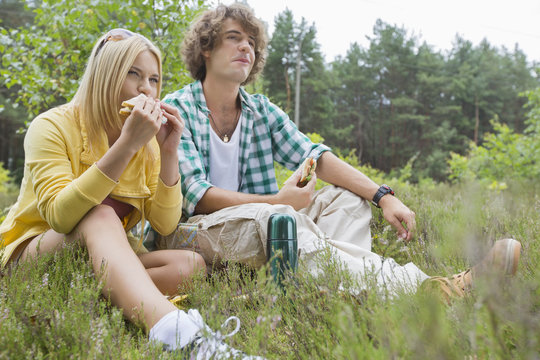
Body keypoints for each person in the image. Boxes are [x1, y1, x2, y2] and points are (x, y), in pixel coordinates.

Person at [162, 3, 522, 300]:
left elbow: (315, 155)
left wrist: (383, 196)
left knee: (347, 200)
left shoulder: (261, 111)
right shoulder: (178, 108)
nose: (246, 47)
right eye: (233, 38)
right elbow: (196, 196)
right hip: (193, 232)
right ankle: (427, 291)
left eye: (252, 42)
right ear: (206, 48)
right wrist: (276, 201)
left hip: (263, 220)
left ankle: (330, 292)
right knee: (280, 220)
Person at [0, 29, 263, 358]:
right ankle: (185, 339)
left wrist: (168, 152)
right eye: (134, 74)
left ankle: (89, 304)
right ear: (105, 75)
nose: (146, 88)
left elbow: (165, 224)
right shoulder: (52, 126)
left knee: (190, 266)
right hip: (32, 259)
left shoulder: (149, 148)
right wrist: (126, 144)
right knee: (98, 213)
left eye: (154, 79)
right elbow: (60, 215)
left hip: (98, 265)